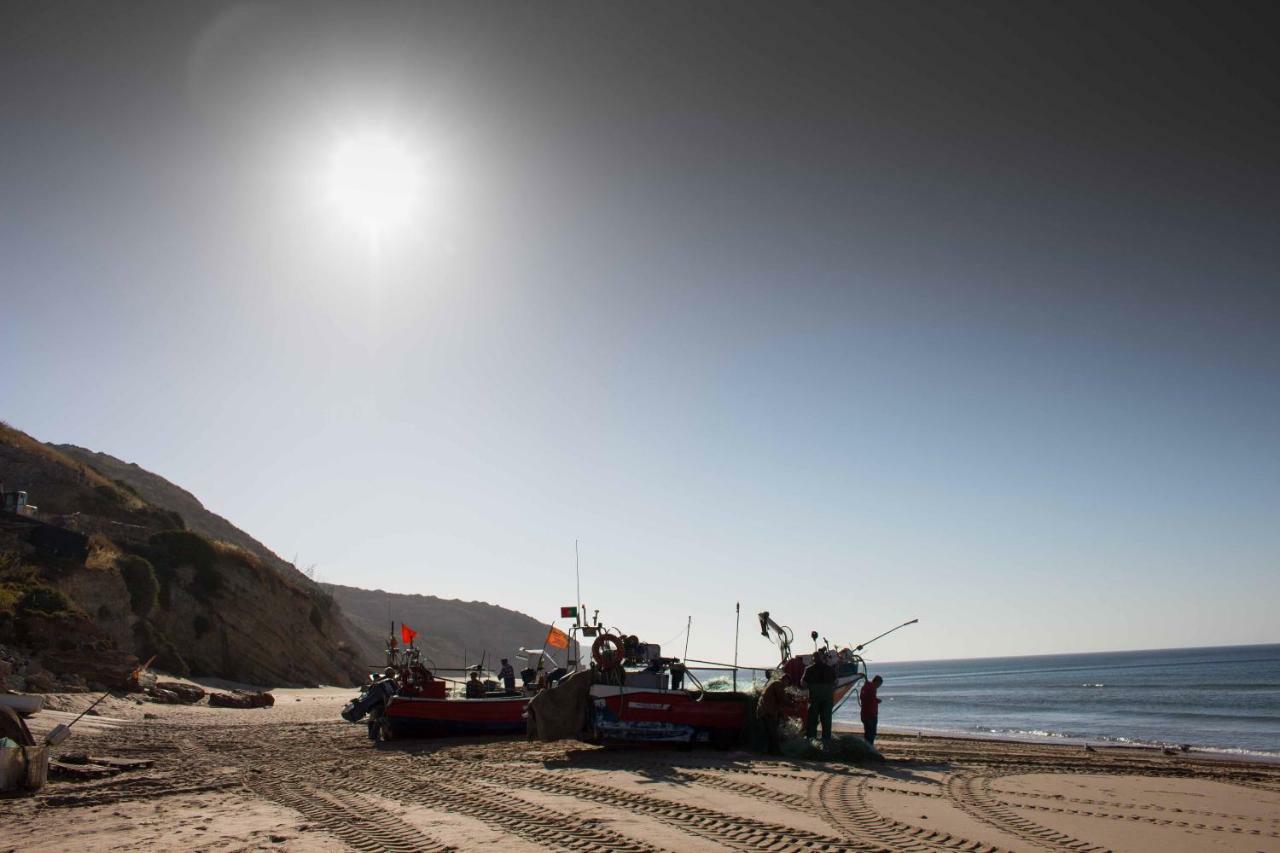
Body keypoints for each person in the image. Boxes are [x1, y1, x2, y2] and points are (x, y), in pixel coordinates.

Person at [802, 650, 836, 741]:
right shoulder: (830, 669)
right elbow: (836, 682)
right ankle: (826, 740)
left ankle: (812, 740)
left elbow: (803, 683)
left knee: (813, 720)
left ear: (813, 659)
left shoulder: (809, 669)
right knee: (826, 720)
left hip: (815, 697)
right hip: (827, 697)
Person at [756, 673, 790, 755]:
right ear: (785, 680)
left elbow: (777, 701)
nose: (787, 686)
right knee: (773, 732)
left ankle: (769, 751)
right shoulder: (778, 684)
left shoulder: (774, 684)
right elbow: (782, 698)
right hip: (767, 712)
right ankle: (776, 751)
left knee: (769, 733)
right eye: (788, 683)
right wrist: (791, 703)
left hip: (763, 711)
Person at [860, 675, 883, 745]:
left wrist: (875, 700)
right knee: (870, 734)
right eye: (879, 684)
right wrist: (876, 701)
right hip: (869, 714)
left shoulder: (867, 687)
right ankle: (869, 747)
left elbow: (867, 698)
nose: (879, 686)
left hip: (867, 714)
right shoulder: (871, 688)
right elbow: (869, 699)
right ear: (876, 682)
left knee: (869, 733)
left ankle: (868, 746)